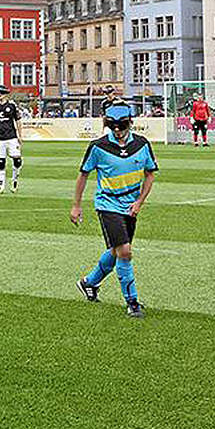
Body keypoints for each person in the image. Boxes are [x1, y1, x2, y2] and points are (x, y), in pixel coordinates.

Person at [71, 103, 158, 318]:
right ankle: (133, 302)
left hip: (130, 207)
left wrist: (139, 202)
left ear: (130, 123)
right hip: (107, 205)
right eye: (113, 127)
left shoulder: (142, 144)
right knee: (125, 251)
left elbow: (150, 174)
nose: (117, 131)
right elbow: (83, 174)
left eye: (121, 126)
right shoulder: (98, 147)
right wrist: (76, 205)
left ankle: (89, 283)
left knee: (116, 251)